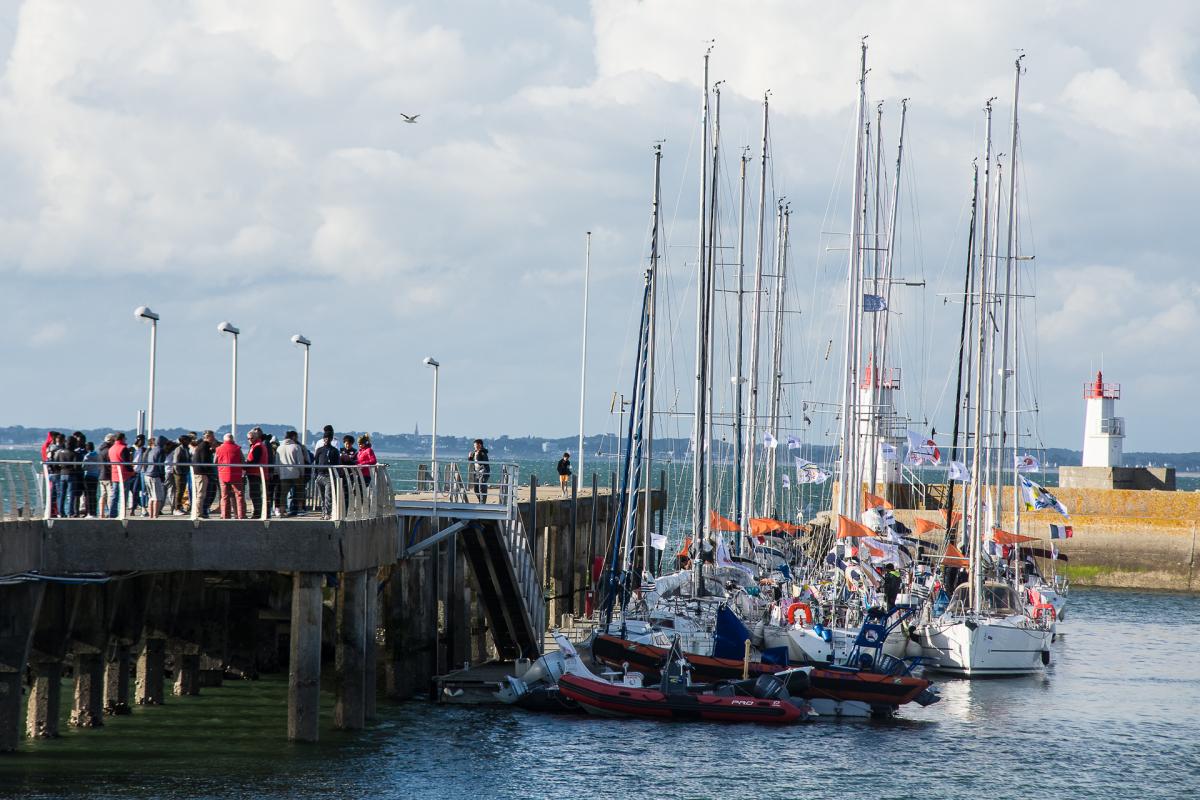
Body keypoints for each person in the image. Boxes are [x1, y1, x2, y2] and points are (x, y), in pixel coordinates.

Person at [215, 433, 246, 519]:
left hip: (223, 474)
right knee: (239, 495)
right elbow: (243, 461)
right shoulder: (237, 448)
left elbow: (215, 462)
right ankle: (241, 515)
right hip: (236, 474)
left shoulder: (218, 449)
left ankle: (225, 515)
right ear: (232, 439)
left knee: (224, 496)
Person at [312, 430, 340, 519]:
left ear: (331, 439)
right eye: (325, 438)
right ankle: (323, 513)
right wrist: (315, 475)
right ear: (323, 439)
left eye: (328, 438)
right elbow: (315, 462)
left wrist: (335, 475)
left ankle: (327, 513)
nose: (326, 439)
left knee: (328, 496)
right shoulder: (319, 450)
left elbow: (337, 464)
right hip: (320, 475)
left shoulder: (334, 451)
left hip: (329, 476)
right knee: (321, 497)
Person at [276, 431, 305, 516]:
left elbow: (276, 464)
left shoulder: (279, 448)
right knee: (299, 491)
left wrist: (279, 473)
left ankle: (282, 511)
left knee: (283, 493)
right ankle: (300, 509)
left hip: (283, 474)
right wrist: (302, 473)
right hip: (295, 473)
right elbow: (300, 462)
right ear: (293, 437)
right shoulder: (296, 447)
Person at [53, 433, 82, 517]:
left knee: (62, 494)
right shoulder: (74, 454)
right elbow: (76, 466)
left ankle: (61, 512)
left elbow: (55, 464)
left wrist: (61, 469)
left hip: (62, 474)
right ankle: (70, 512)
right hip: (71, 474)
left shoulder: (60, 452)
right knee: (71, 494)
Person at [108, 433, 135, 518]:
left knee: (114, 495)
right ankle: (121, 513)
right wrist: (132, 472)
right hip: (124, 474)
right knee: (123, 496)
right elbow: (126, 463)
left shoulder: (111, 448)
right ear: (122, 438)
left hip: (114, 474)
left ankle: (112, 513)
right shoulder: (123, 448)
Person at [244, 428, 269, 520]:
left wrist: (244, 465)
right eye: (248, 439)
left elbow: (255, 460)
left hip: (255, 473)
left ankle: (257, 513)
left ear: (256, 437)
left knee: (255, 494)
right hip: (255, 472)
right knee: (255, 493)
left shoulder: (258, 446)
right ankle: (259, 512)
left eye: (251, 438)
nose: (250, 440)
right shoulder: (257, 445)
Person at [192, 430, 217, 518]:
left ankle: (201, 511)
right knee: (201, 493)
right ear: (207, 437)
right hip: (202, 473)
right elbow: (204, 461)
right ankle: (199, 512)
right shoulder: (204, 446)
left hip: (200, 472)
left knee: (202, 493)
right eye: (212, 437)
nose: (214, 439)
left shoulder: (203, 446)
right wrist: (210, 473)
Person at [143, 435, 169, 518]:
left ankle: (151, 516)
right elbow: (160, 465)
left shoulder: (152, 450)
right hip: (155, 475)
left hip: (147, 474)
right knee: (157, 497)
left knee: (151, 497)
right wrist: (162, 477)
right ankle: (155, 515)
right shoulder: (161, 451)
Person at [168, 434, 192, 515]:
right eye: (188, 440)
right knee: (179, 490)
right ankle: (176, 508)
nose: (189, 442)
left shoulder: (186, 449)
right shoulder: (179, 449)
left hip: (185, 472)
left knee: (182, 490)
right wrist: (178, 472)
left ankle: (180, 506)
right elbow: (175, 461)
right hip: (179, 473)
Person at [97, 434, 116, 518]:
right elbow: (110, 464)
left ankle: (101, 513)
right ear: (111, 441)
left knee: (103, 495)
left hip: (101, 475)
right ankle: (110, 512)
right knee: (110, 495)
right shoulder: (109, 451)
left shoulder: (100, 450)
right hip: (108, 475)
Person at [468, 439, 490, 503]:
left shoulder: (483, 453)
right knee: (476, 489)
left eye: (475, 445)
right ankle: (480, 501)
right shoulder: (474, 452)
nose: (474, 446)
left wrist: (478, 455)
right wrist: (470, 457)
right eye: (474, 445)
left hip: (483, 472)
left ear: (479, 445)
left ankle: (482, 503)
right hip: (476, 472)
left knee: (482, 488)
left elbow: (484, 463)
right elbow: (472, 462)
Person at [81, 441, 100, 517]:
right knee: (94, 494)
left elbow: (84, 466)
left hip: (88, 476)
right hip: (95, 476)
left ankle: (89, 512)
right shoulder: (97, 455)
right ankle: (94, 512)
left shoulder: (87, 456)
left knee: (88, 495)